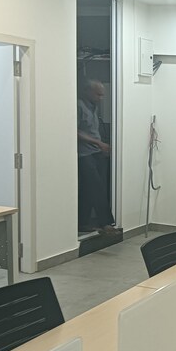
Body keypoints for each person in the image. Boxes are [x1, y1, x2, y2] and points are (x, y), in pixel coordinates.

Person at [77, 79, 119, 235]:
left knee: (89, 189)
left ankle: (83, 223)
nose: (101, 98)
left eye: (102, 95)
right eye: (98, 94)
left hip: (95, 152)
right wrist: (98, 143)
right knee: (97, 188)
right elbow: (74, 131)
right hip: (84, 154)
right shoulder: (79, 106)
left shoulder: (93, 107)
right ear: (87, 92)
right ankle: (106, 223)